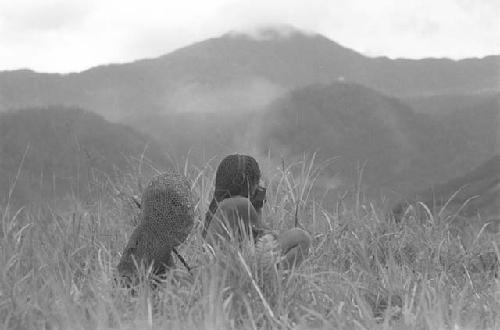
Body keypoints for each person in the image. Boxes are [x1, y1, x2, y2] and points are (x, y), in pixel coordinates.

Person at [203, 154, 311, 269]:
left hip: (218, 270)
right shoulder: (241, 204)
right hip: (223, 270)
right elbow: (268, 239)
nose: (258, 185)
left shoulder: (222, 205)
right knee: (300, 237)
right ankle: (272, 282)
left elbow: (254, 241)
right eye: (256, 180)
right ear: (245, 179)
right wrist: (259, 205)